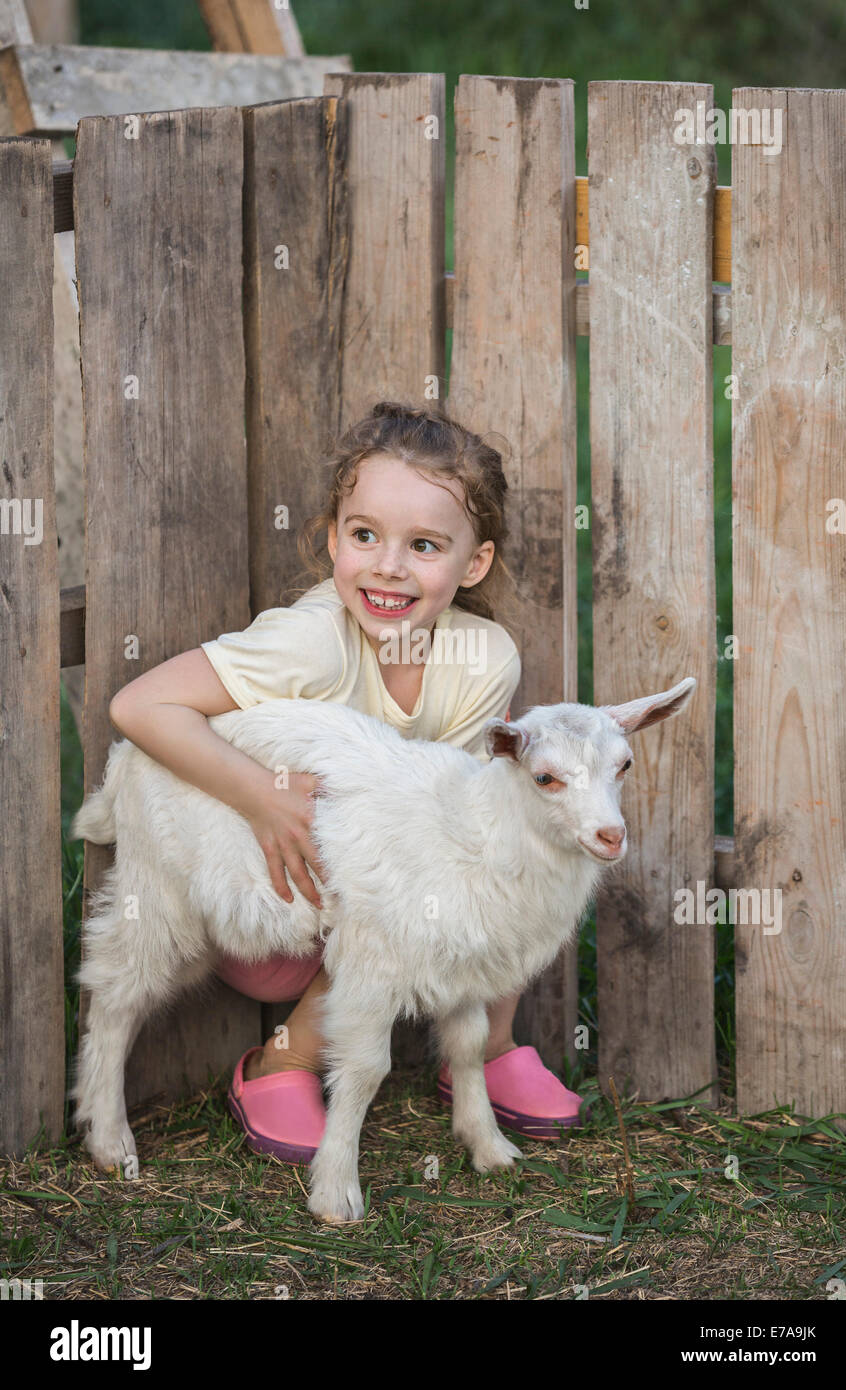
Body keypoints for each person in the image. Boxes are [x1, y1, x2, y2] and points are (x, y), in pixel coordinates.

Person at [108, 400, 586, 1163]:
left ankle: (483, 1049)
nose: (389, 565)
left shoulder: (485, 657)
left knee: (511, 846)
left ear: (474, 564)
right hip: (275, 894)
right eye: (364, 536)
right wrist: (259, 794)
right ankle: (282, 1059)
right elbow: (140, 705)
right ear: (333, 538)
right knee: (401, 895)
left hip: (372, 886)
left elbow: (459, 814)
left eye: (424, 545)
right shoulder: (310, 642)